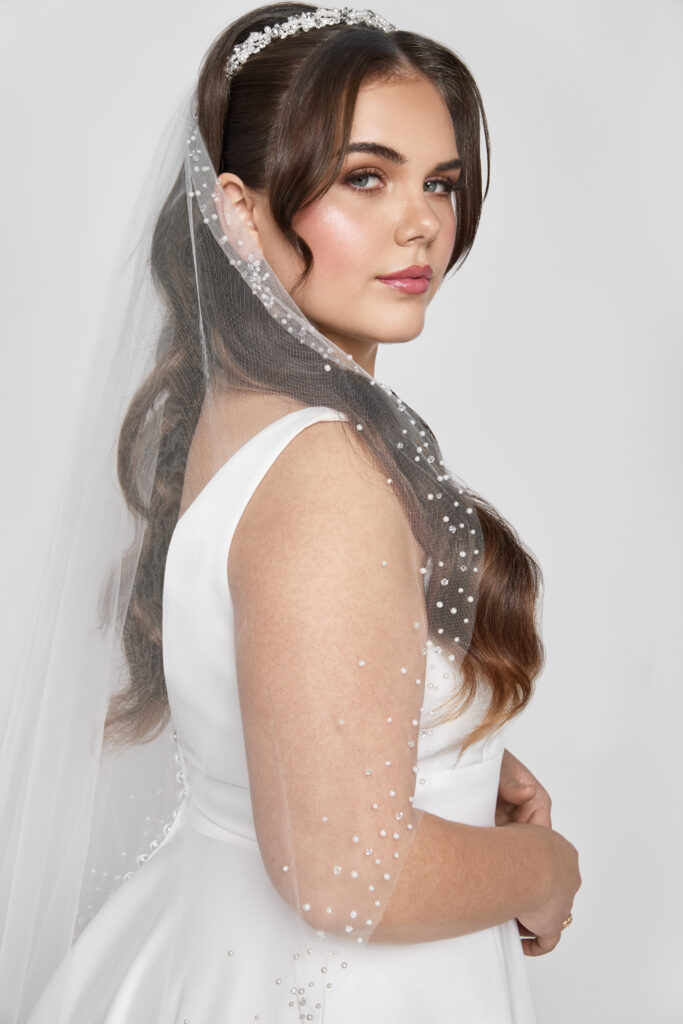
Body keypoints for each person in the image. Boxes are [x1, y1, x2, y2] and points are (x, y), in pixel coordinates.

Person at [0, 4, 581, 1021]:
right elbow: (348, 875)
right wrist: (539, 867)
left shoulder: (239, 418)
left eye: (438, 182)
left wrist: (453, 749)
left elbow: (273, 693)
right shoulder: (322, 473)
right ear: (236, 209)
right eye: (366, 176)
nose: (422, 222)